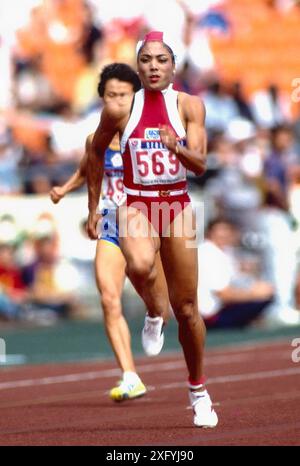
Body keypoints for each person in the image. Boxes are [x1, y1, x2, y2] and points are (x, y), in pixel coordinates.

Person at [87, 31, 218, 428]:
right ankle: (152, 311)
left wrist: (174, 146)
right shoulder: (122, 109)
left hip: (178, 206)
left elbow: (200, 165)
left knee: (190, 308)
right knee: (141, 264)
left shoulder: (190, 105)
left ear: (173, 66)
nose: (154, 67)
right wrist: (94, 206)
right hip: (136, 203)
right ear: (137, 66)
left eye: (161, 60)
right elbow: (95, 149)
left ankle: (198, 390)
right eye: (146, 60)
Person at [50, 63, 148, 402]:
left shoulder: (149, 133)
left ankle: (154, 312)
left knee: (153, 286)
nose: (117, 101)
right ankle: (130, 375)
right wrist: (64, 189)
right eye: (110, 95)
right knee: (109, 297)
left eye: (123, 95)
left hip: (150, 220)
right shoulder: (98, 138)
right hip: (111, 219)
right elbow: (87, 167)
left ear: (136, 97)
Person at [198, 218, 274, 329]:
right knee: (264, 296)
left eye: (226, 231)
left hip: (216, 309)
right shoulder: (208, 254)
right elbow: (223, 294)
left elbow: (237, 280)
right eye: (220, 231)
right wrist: (255, 294)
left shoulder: (222, 252)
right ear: (210, 233)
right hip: (210, 315)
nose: (224, 235)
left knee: (264, 290)